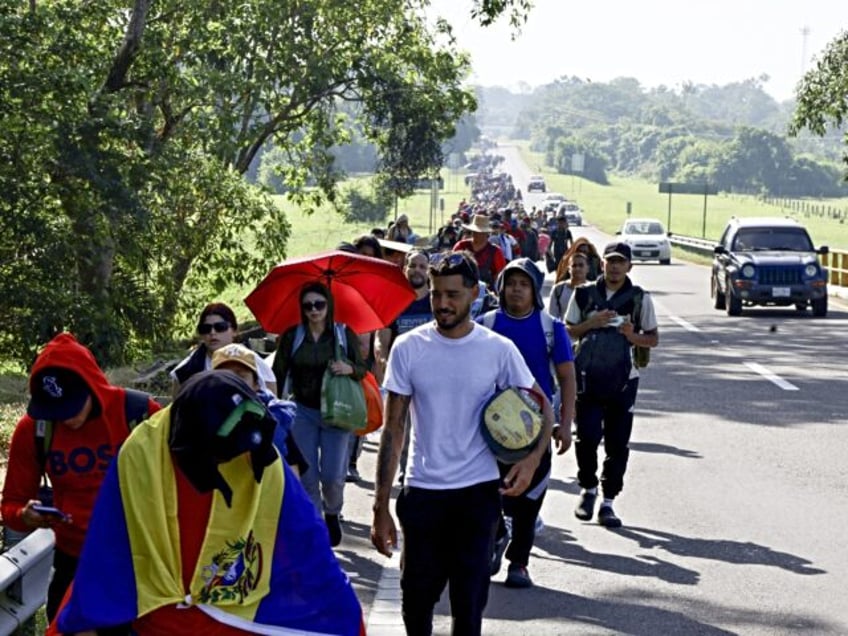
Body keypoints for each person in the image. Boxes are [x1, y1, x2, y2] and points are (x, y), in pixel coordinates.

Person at [52, 371, 363, 635]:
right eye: (225, 457)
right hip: (158, 621)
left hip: (243, 621)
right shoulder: (140, 458)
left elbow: (309, 551)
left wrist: (346, 618)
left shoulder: (265, 460)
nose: (239, 463)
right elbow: (107, 554)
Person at [370, 251, 555, 636]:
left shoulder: (497, 349)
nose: (442, 304)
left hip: (477, 497)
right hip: (423, 493)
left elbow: (542, 408)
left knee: (468, 612)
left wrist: (532, 460)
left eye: (453, 295)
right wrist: (380, 506)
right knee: (415, 605)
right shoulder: (408, 348)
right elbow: (393, 430)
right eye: (437, 294)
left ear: (474, 293)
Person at [0, 333, 161, 621]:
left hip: (141, 560)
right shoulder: (35, 429)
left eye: (72, 407)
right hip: (76, 562)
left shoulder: (139, 414)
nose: (66, 419)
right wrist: (26, 515)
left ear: (94, 386)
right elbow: (11, 503)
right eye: (55, 411)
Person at [477, 258, 576, 588]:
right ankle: (495, 537)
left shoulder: (552, 329)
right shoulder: (486, 324)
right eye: (511, 283)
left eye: (524, 284)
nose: (516, 290)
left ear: (535, 290)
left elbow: (566, 377)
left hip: (537, 427)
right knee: (488, 492)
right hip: (490, 429)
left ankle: (519, 563)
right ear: (501, 288)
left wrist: (565, 422)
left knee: (530, 497)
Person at [565, 242, 659, 528]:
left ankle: (608, 501)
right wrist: (590, 323)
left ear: (630, 266)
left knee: (618, 444)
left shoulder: (639, 298)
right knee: (587, 437)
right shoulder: (583, 295)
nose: (615, 267)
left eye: (621, 262)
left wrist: (632, 334)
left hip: (623, 381)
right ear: (602, 264)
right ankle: (588, 488)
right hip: (587, 379)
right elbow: (567, 332)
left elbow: (653, 338)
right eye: (610, 261)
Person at [271, 282, 367, 546]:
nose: (314, 310)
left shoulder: (342, 334)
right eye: (308, 306)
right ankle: (316, 526)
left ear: (328, 305)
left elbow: (362, 366)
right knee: (308, 475)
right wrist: (274, 405)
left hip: (337, 412)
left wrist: (348, 368)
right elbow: (278, 372)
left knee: (333, 476)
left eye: (319, 304)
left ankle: (332, 512)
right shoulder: (293, 336)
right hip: (303, 410)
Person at [375, 250, 433, 485]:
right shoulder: (394, 301)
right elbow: (382, 339)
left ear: (428, 271)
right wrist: (384, 362)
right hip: (403, 377)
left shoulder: (435, 301)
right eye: (413, 266)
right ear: (405, 269)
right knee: (401, 427)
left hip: (433, 374)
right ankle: (405, 470)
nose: (417, 270)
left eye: (422, 266)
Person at [211, 343, 308, 477]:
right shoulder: (202, 419)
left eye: (241, 376)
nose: (233, 382)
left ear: (256, 384)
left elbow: (293, 475)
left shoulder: (274, 418)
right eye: (225, 376)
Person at [170, 302, 277, 396]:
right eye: (206, 329)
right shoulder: (184, 371)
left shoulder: (253, 360)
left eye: (220, 327)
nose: (212, 333)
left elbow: (272, 400)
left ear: (234, 331)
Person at [452, 214, 506, 286]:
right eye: (475, 231)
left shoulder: (495, 251)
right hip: (461, 288)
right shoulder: (461, 246)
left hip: (486, 291)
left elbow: (500, 273)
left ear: (486, 233)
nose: (476, 234)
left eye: (480, 232)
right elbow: (451, 266)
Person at [549, 250, 591, 321]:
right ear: (569, 269)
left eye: (581, 265)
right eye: (574, 265)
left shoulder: (594, 289)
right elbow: (552, 317)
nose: (577, 268)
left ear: (587, 268)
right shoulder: (558, 289)